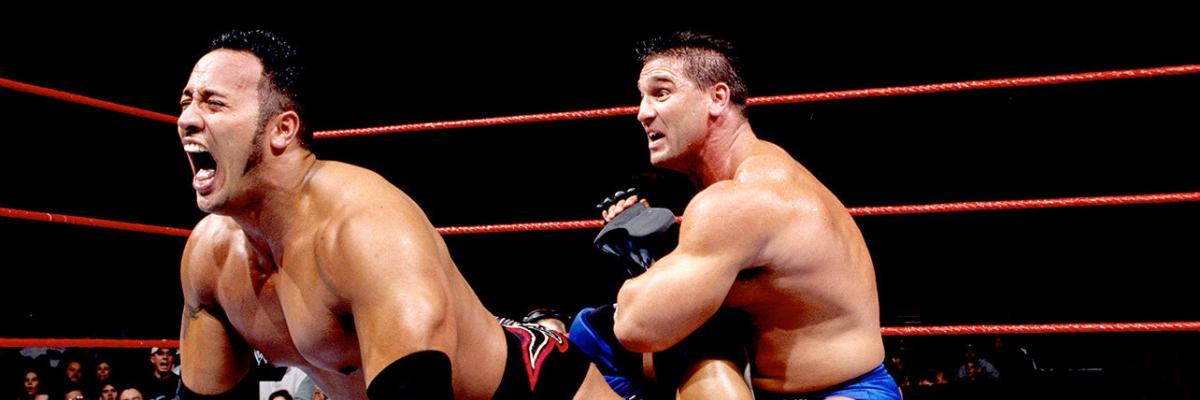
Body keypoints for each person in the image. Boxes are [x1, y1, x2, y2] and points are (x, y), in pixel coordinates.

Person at [175, 29, 618, 400]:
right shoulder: (209, 258)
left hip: (536, 388)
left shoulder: (367, 232)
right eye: (186, 102)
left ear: (282, 130)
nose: (187, 120)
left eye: (214, 104)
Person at [588, 31, 901, 399]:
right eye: (642, 97)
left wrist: (645, 262)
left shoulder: (740, 200)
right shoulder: (764, 171)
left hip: (842, 393)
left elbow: (637, 327)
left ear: (717, 98)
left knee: (674, 348)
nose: (643, 112)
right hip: (816, 384)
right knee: (592, 334)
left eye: (662, 93)